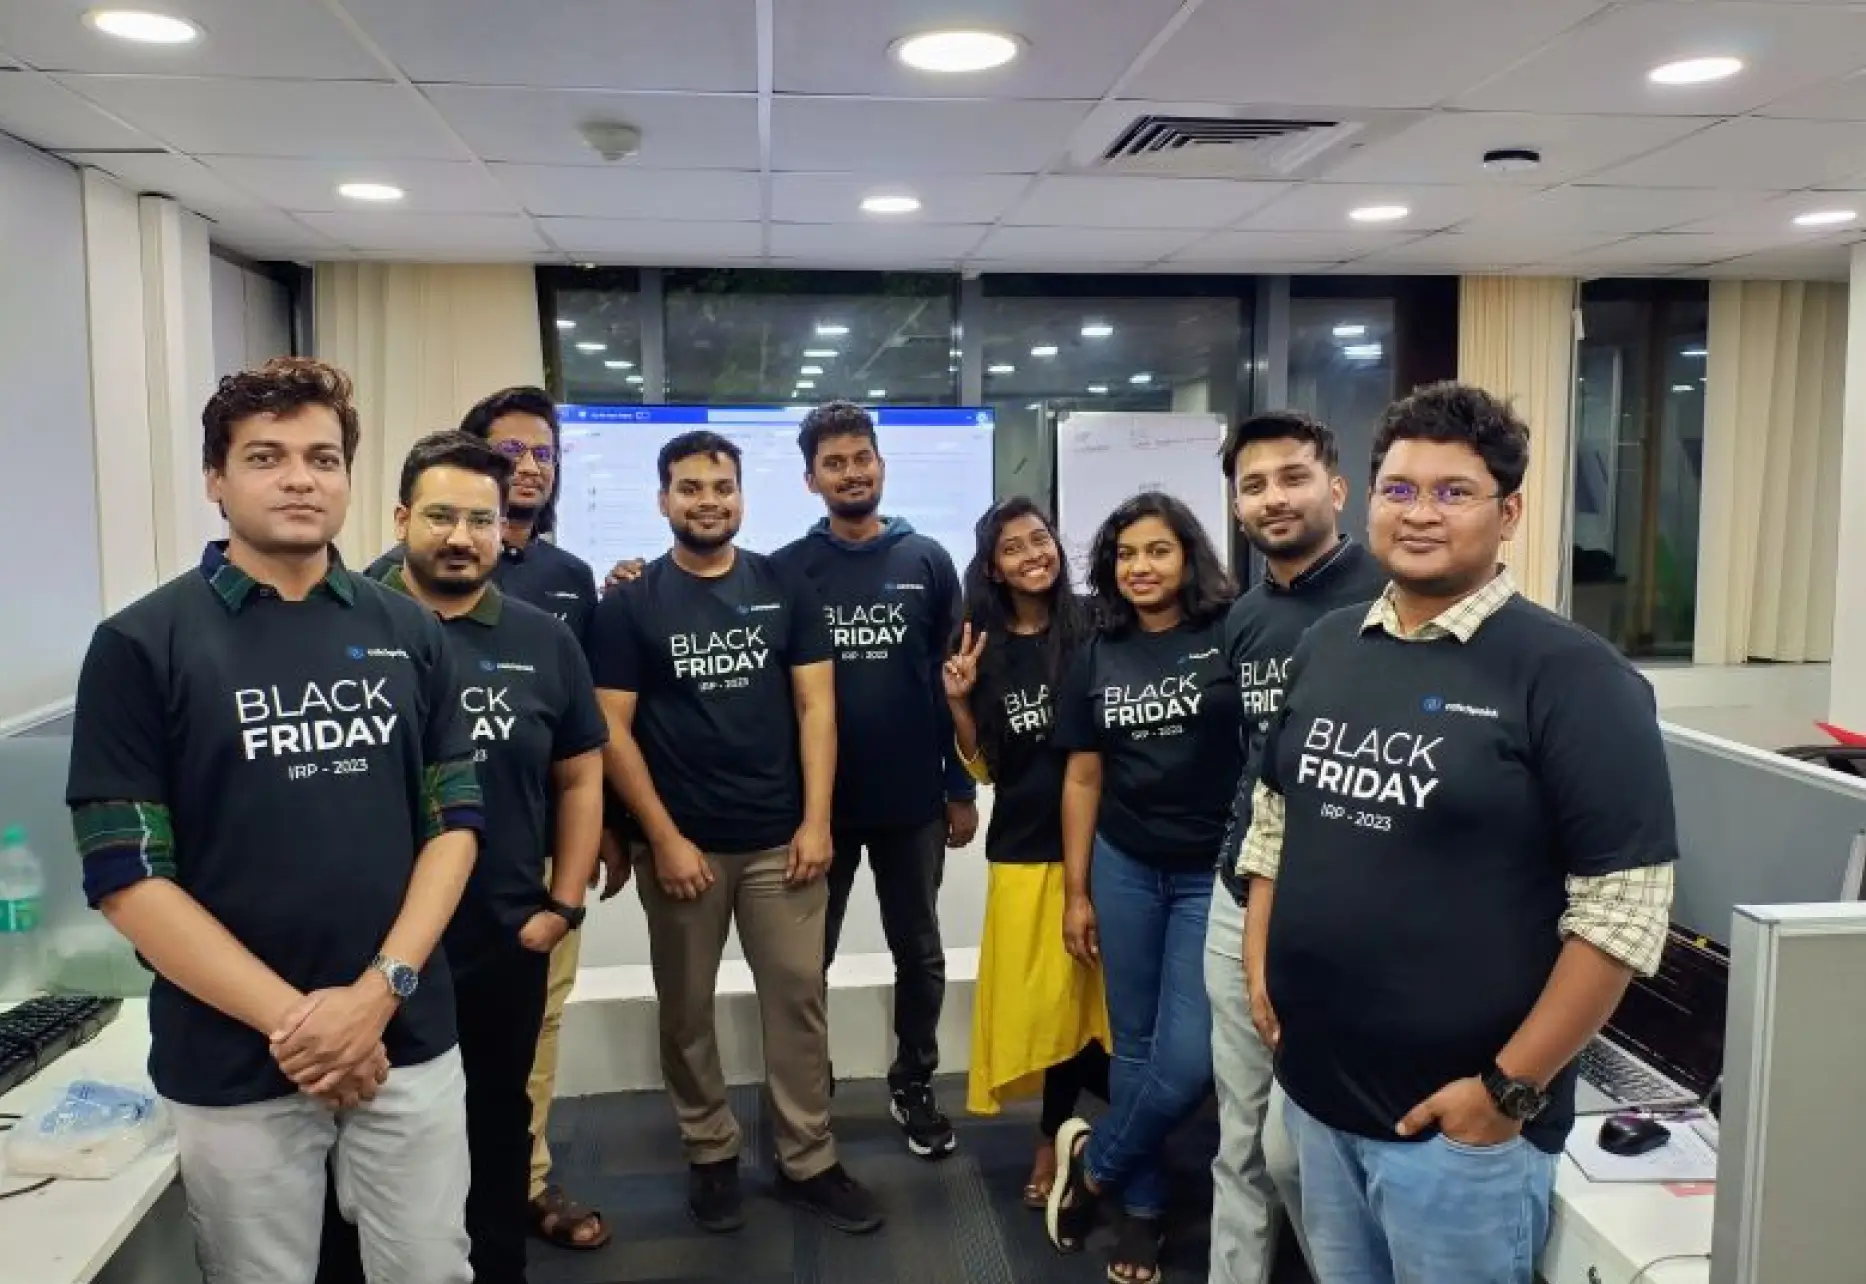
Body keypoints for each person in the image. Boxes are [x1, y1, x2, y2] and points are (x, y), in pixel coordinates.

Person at [1240, 382, 1679, 1284]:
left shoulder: (1573, 678)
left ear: (1508, 513)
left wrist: (1508, 1093)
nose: (1421, 513)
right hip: (1320, 1102)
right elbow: (1273, 822)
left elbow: (1623, 913)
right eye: (1400, 489)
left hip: (1460, 1134)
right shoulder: (1327, 646)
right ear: (1368, 501)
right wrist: (1259, 969)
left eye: (1454, 491)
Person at [65, 357, 482, 1284]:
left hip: (403, 1035)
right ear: (217, 479)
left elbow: (455, 826)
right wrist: (303, 1026)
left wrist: (376, 995)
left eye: (323, 458)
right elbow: (127, 878)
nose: (301, 477)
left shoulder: (411, 631)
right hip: (232, 1053)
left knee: (431, 1268)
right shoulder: (140, 645)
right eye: (267, 457)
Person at [590, 430, 884, 1235]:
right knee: (685, 1010)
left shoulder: (784, 585)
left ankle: (807, 1157)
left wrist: (817, 821)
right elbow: (612, 731)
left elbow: (817, 708)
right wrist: (663, 837)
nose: (708, 500)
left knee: (798, 1003)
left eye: (722, 486)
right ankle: (710, 1152)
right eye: (690, 488)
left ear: (742, 496)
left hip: (781, 845)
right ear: (664, 501)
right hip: (681, 849)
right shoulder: (630, 605)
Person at [365, 386, 615, 1251]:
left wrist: (564, 905)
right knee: (382, 1129)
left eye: (482, 518)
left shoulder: (545, 635)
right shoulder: (350, 621)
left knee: (498, 1120)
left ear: (505, 525)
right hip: (376, 937)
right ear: (402, 518)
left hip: (506, 931)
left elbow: (582, 775)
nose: (462, 536)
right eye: (440, 516)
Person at [1208, 412, 1386, 1284]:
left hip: (1347, 908)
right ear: (1237, 506)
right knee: (1241, 1141)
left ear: (1336, 489)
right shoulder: (1245, 616)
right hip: (1242, 892)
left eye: (1292, 477)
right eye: (1253, 485)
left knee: (1305, 1151)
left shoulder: (1392, 593)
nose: (1273, 498)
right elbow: (1251, 759)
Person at [771, 401, 975, 1159]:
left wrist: (959, 786)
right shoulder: (790, 569)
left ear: (880, 465)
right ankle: (805, 1083)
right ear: (811, 478)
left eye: (862, 458)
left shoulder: (925, 559)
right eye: (835, 463)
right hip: (816, 808)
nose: (851, 473)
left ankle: (914, 1081)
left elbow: (948, 681)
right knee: (805, 957)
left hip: (912, 803)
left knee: (918, 950)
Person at [1046, 491, 1241, 1284]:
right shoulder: (1100, 649)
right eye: (1125, 554)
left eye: (1157, 550)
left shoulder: (1229, 635)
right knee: (1133, 1044)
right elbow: (1083, 777)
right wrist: (1078, 892)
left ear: (1189, 555)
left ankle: (1097, 1162)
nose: (1140, 568)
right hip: (1127, 866)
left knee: (1189, 1057)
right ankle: (1145, 1212)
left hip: (1208, 874)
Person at [944, 497, 1112, 1209]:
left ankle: (1083, 1137)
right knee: (1049, 1011)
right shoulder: (981, 645)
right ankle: (1064, 1134)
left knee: (1108, 1011)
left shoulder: (1099, 625)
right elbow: (986, 768)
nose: (1032, 555)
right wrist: (959, 701)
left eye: (1039, 539)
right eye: (1013, 547)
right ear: (993, 566)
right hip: (1025, 853)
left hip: (1114, 847)